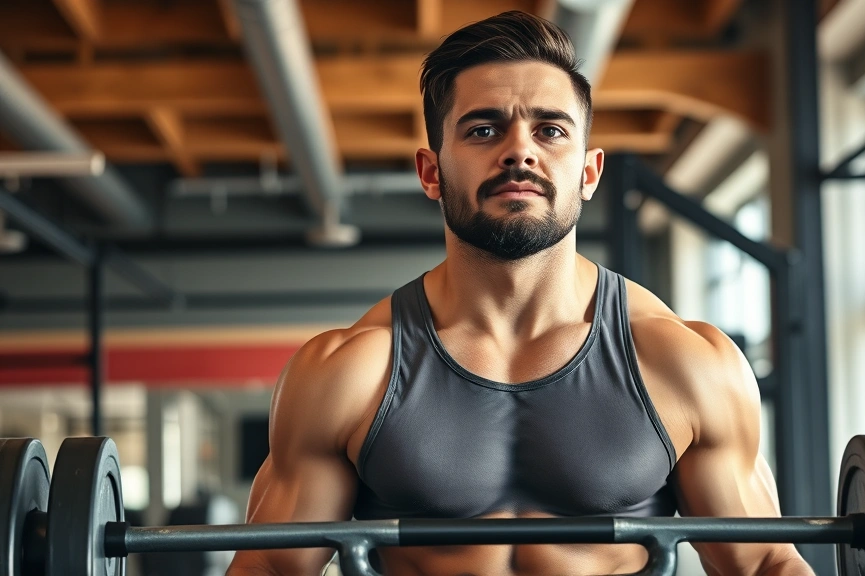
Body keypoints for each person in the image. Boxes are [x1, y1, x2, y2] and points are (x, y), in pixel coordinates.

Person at [226, 11, 812, 576]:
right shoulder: (348, 371)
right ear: (431, 172)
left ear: (588, 172)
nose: (519, 152)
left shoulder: (684, 364)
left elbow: (763, 562)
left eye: (551, 131)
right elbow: (271, 566)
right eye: (483, 129)